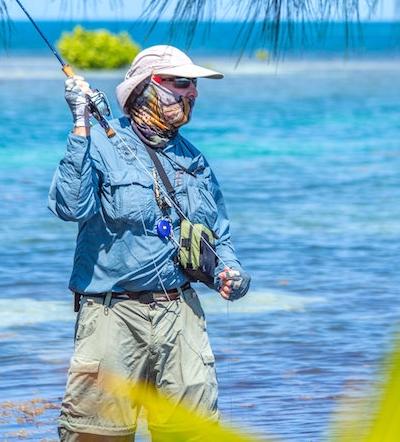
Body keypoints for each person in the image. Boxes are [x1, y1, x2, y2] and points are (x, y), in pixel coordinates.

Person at [48, 45, 251, 442]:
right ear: (146, 87)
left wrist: (232, 272)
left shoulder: (195, 161)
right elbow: (70, 207)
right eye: (182, 83)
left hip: (181, 315)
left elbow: (220, 235)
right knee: (95, 435)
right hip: (112, 316)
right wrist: (79, 124)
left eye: (194, 85)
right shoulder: (99, 143)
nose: (192, 92)